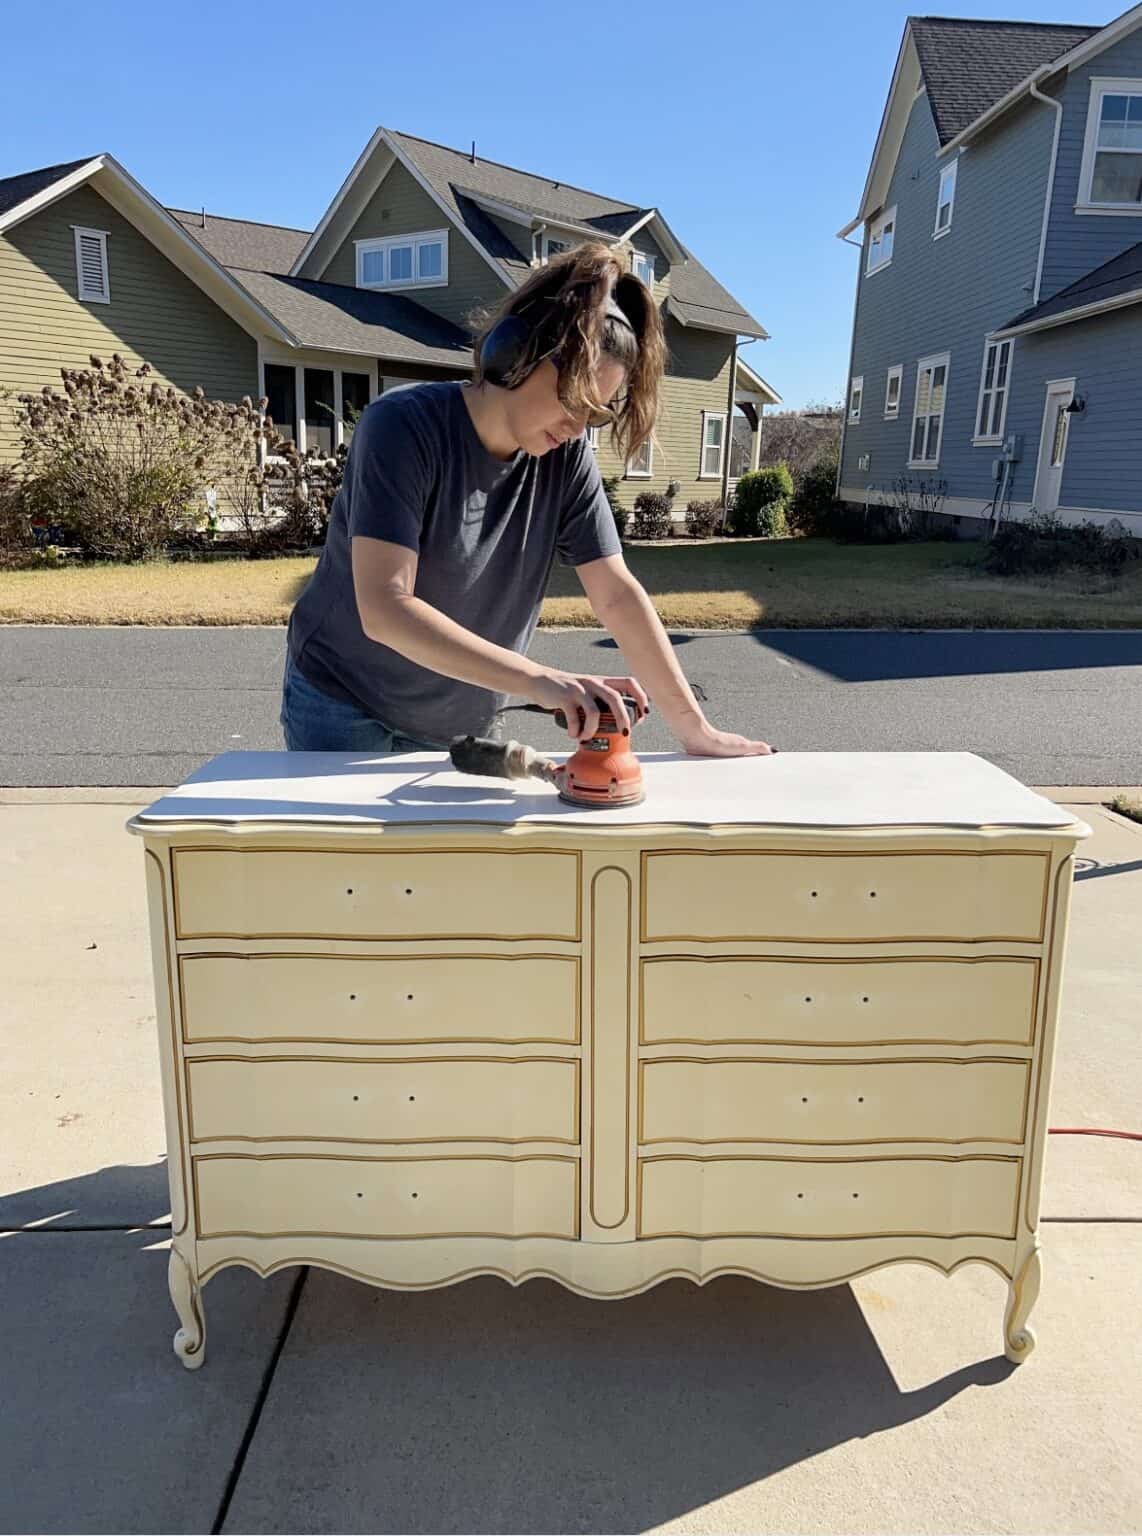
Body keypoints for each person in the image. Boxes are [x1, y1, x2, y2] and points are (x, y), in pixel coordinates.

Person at [280, 240, 775, 758]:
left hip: (458, 713)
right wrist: (543, 680)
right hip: (344, 701)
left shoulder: (565, 455)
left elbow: (615, 594)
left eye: (597, 412)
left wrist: (694, 728)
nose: (579, 426)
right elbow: (385, 607)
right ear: (515, 355)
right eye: (573, 400)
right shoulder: (403, 427)